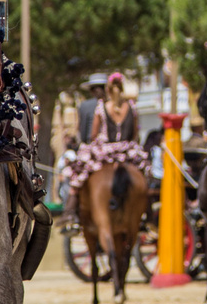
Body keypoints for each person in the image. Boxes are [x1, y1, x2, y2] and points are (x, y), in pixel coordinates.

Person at [59, 72, 147, 221]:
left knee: (77, 172)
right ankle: (148, 213)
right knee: (146, 174)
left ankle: (70, 211)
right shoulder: (131, 106)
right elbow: (135, 135)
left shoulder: (100, 107)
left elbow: (93, 135)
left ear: (107, 89)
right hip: (127, 150)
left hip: (106, 150)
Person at [79, 73, 109, 143]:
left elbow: (83, 133)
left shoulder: (85, 106)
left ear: (91, 91)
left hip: (93, 145)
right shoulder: (113, 105)